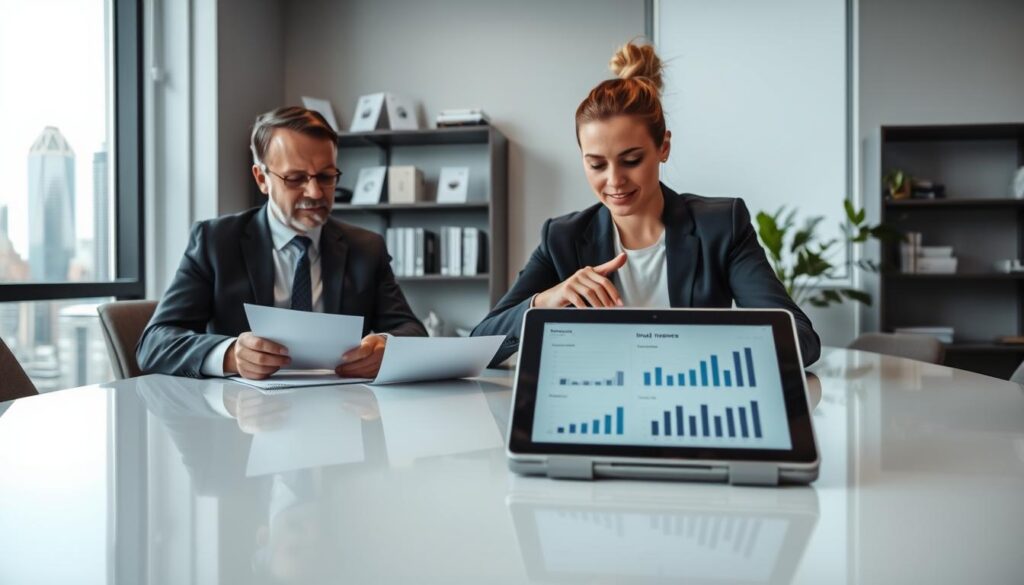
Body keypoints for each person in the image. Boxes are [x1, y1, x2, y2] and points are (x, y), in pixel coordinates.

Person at [472, 42, 820, 367]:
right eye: (596, 164)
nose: (614, 180)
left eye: (632, 160)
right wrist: (546, 301)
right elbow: (480, 344)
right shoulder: (562, 237)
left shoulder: (721, 226)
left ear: (663, 147)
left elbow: (801, 340)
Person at [138, 106, 426, 380]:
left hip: (342, 410)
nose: (315, 192)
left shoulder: (367, 248)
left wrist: (386, 347)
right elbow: (154, 343)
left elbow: (413, 331)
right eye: (295, 178)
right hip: (239, 416)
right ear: (261, 178)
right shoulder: (215, 242)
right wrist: (230, 356)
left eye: (326, 176)